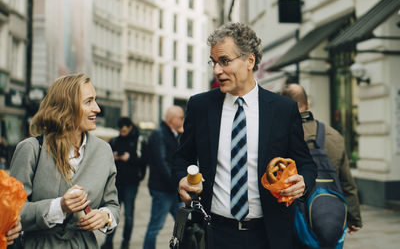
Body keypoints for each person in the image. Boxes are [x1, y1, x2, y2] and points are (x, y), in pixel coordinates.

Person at [172, 22, 317, 249]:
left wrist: (303, 183)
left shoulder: (283, 109)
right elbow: (182, 158)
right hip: (213, 233)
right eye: (214, 62)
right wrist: (182, 178)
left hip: (270, 236)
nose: (216, 71)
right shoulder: (200, 107)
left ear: (250, 61)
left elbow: (306, 163)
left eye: (225, 61)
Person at [9, 74, 120, 249]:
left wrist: (105, 216)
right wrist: (59, 206)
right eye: (88, 101)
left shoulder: (103, 151)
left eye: (95, 100)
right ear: (66, 107)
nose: (97, 108)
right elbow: (11, 212)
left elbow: (112, 204)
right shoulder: (30, 149)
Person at [281, 83, 362, 234]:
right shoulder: (333, 135)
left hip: (293, 219)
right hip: (330, 216)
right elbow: (347, 182)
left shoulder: (280, 135)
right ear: (308, 104)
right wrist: (354, 218)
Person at [143, 106, 184, 249]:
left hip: (172, 189)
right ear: (172, 119)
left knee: (182, 225)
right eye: (181, 117)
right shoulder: (159, 134)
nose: (182, 120)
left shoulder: (172, 134)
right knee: (156, 226)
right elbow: (162, 163)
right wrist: (177, 183)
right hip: (162, 189)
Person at [101, 117, 145, 249]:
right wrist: (113, 157)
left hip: (131, 183)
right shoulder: (115, 141)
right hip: (116, 183)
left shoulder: (139, 140)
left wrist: (129, 158)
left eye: (125, 129)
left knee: (129, 215)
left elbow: (144, 161)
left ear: (130, 127)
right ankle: (108, 242)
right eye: (121, 129)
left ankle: (125, 243)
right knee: (112, 212)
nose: (122, 131)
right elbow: (106, 161)